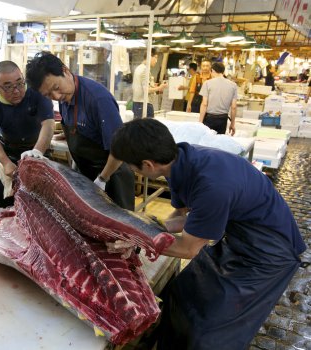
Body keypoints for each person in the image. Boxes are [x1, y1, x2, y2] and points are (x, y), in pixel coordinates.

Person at [109, 118, 306, 350]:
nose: (132, 171)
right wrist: (147, 225)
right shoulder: (179, 162)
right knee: (182, 291)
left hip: (269, 254)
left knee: (211, 330)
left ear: (148, 165)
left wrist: (140, 239)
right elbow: (189, 220)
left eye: (132, 167)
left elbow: (189, 249)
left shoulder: (211, 184)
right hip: (238, 237)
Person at [25, 52, 135, 210]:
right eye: (48, 95)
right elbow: (84, 129)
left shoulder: (97, 99)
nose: (56, 96)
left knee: (120, 228)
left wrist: (103, 179)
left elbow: (120, 149)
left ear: (65, 70)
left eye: (56, 88)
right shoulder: (64, 97)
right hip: (89, 173)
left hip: (113, 174)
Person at [0, 60, 55, 208]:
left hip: (37, 150)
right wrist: (6, 162)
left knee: (43, 203)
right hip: (8, 151)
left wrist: (37, 151)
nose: (16, 91)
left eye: (19, 83)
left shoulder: (36, 91)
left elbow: (48, 123)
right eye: (8, 87)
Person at [199, 62, 237, 135]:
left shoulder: (207, 83)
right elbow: (234, 107)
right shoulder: (233, 85)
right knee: (218, 142)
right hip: (223, 119)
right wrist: (232, 124)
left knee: (207, 141)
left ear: (212, 70)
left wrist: (200, 122)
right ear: (223, 71)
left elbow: (204, 104)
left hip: (209, 118)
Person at [132, 48, 167, 118]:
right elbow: (146, 90)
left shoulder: (140, 68)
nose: (156, 61)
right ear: (149, 56)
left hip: (138, 104)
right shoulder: (144, 69)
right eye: (155, 58)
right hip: (143, 105)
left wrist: (153, 85)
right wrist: (160, 88)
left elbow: (142, 86)